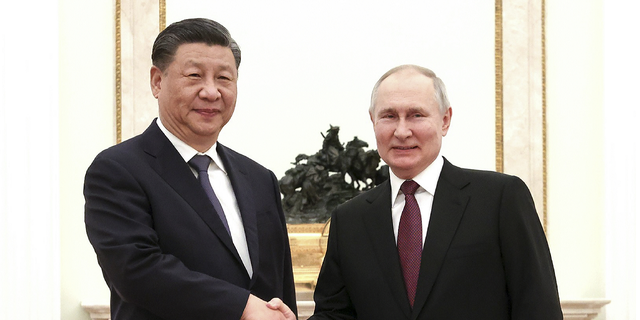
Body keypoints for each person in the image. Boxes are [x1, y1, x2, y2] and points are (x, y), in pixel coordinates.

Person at [308, 65, 563, 319]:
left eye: (416, 115)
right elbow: (335, 314)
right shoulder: (350, 219)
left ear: (445, 120)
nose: (402, 131)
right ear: (373, 121)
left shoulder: (500, 199)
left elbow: (538, 308)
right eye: (389, 116)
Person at [84, 18, 296, 320]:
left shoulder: (260, 178)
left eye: (224, 78)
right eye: (195, 75)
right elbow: (136, 272)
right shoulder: (118, 170)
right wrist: (242, 306)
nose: (211, 92)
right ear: (157, 81)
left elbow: (280, 285)